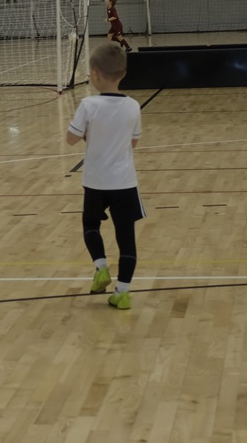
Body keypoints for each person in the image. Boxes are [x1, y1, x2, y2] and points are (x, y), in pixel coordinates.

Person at [66, 43, 144, 310]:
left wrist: (89, 135)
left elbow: (71, 139)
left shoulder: (88, 105)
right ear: (123, 73)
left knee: (90, 225)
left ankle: (100, 266)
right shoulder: (133, 106)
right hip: (124, 182)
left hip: (95, 181)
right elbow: (133, 143)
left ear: (95, 74)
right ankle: (122, 292)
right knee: (126, 238)